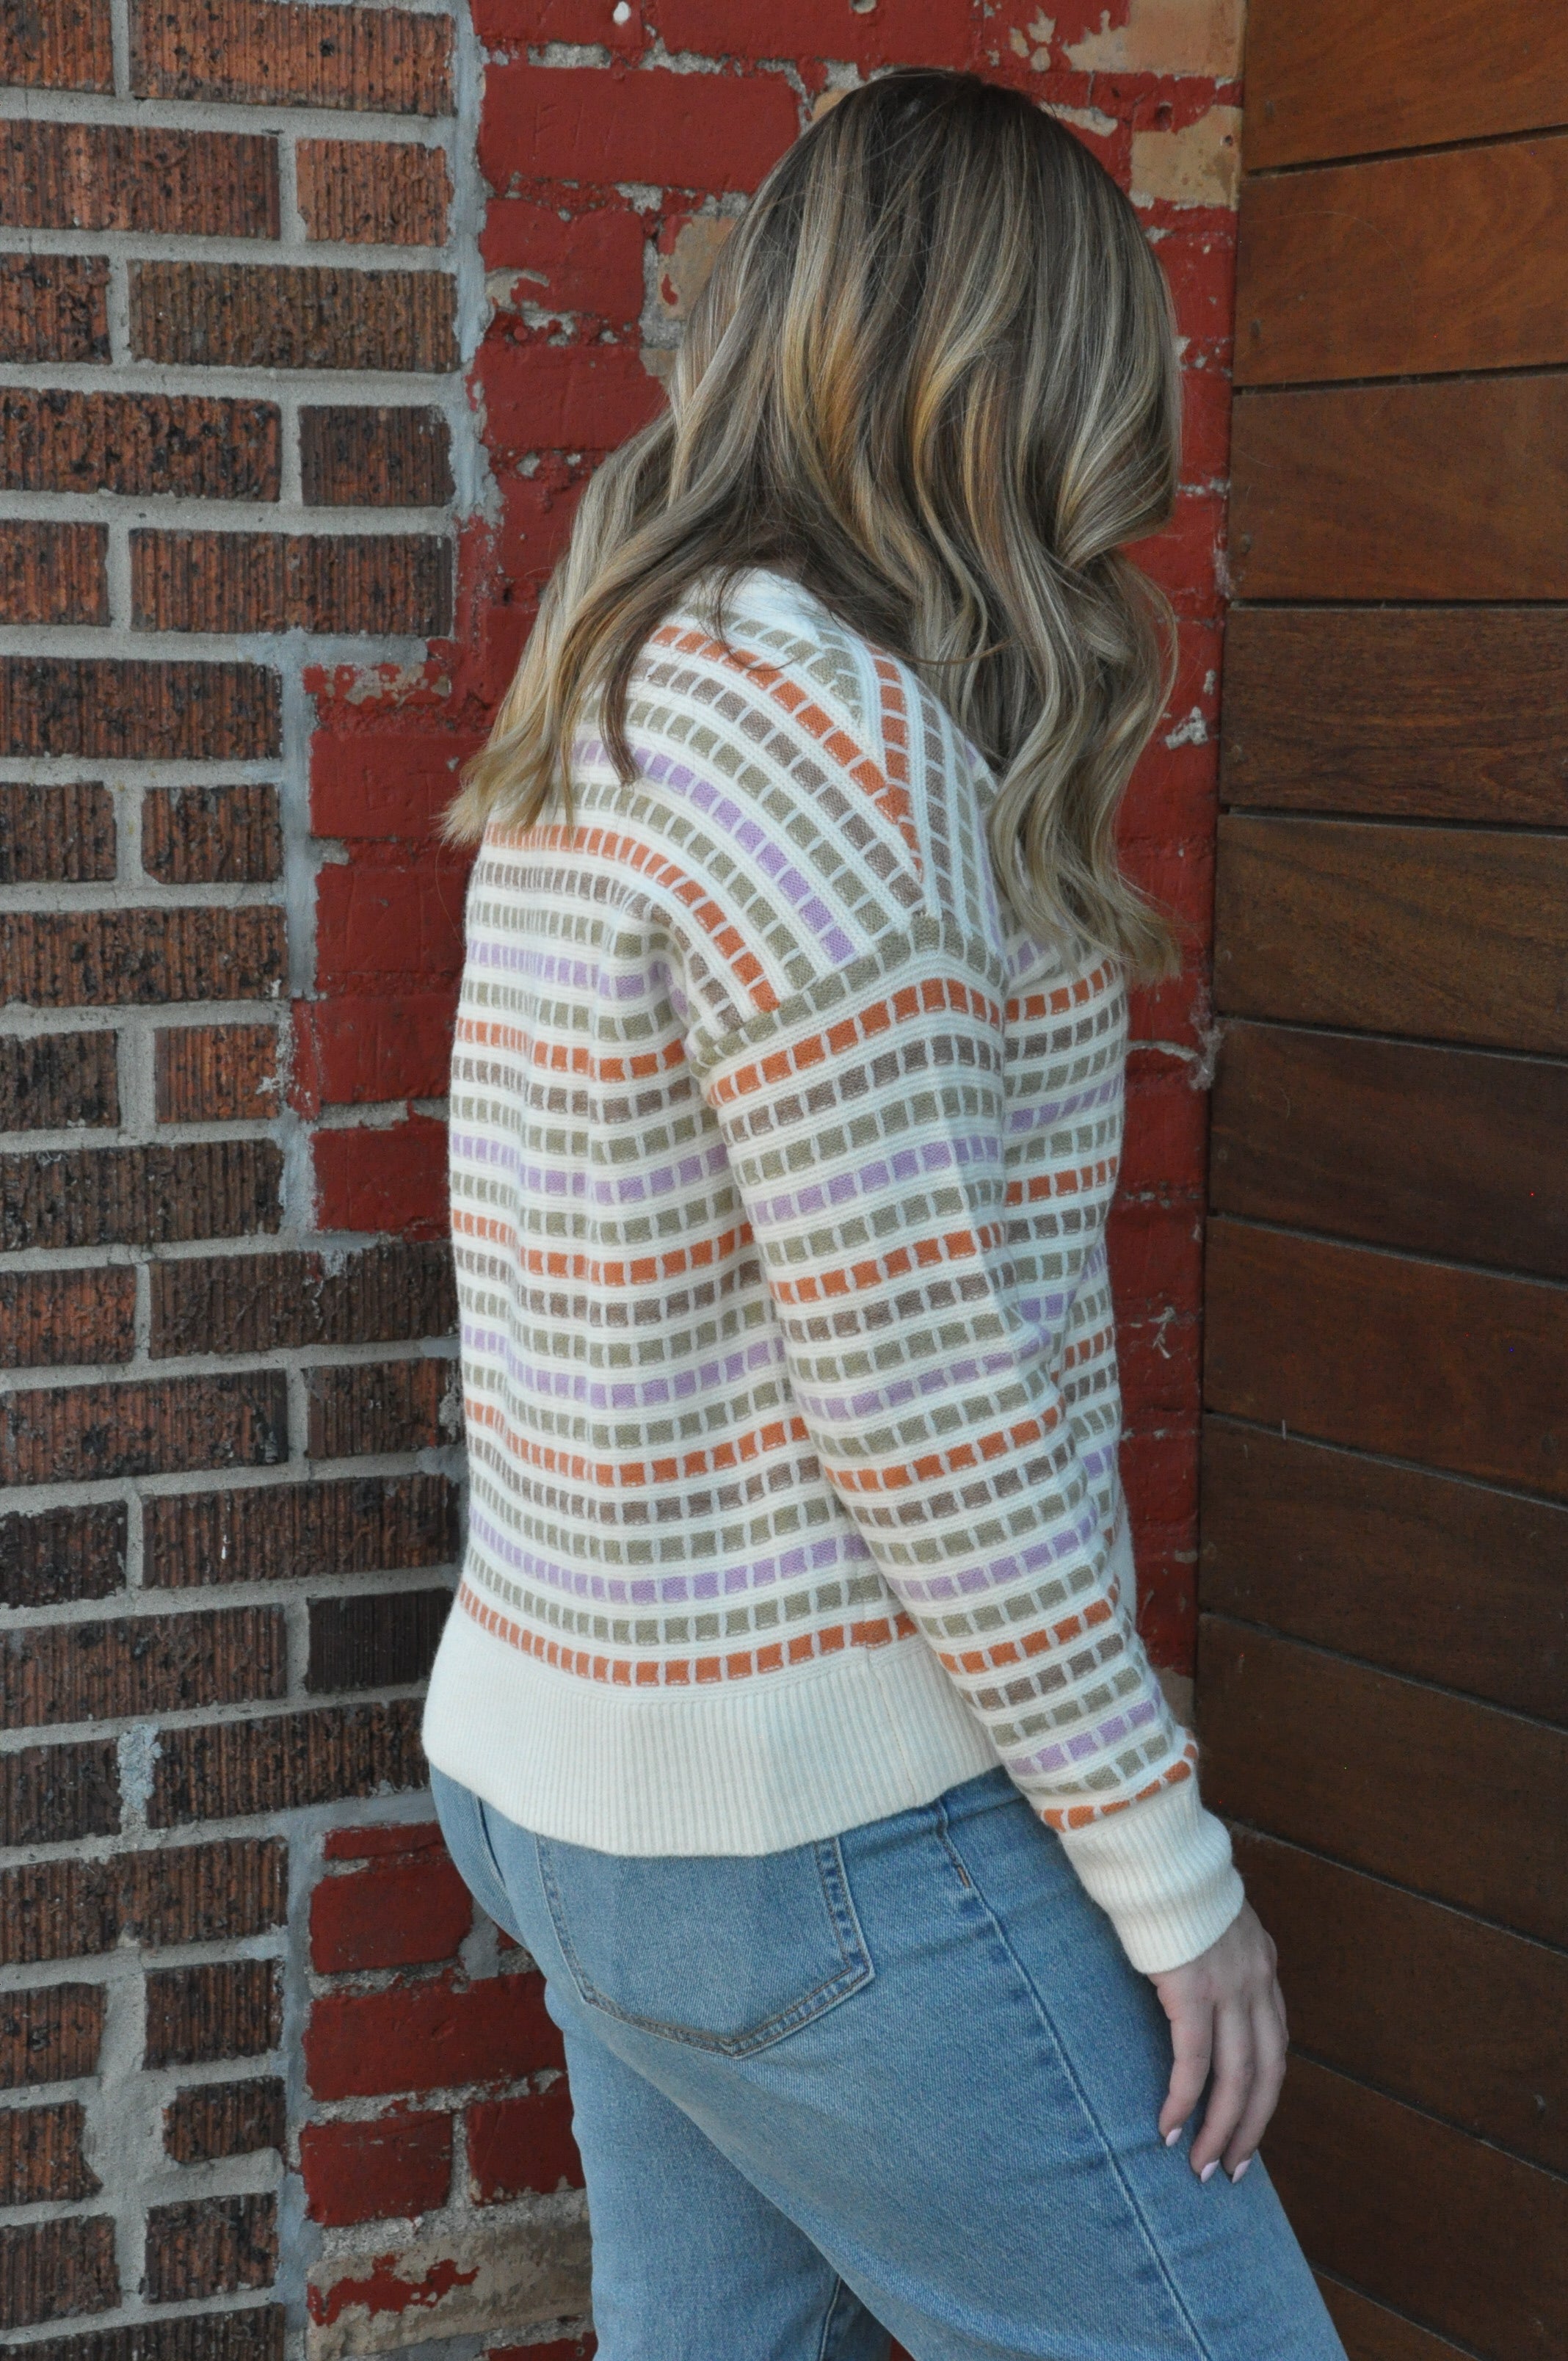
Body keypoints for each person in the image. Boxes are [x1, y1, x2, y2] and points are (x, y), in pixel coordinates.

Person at [424, 68, 1345, 2361]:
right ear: (1017, 381)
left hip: (569, 1780)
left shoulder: (634, 665)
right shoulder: (836, 739)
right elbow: (927, 1402)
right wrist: (1174, 1880)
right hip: (799, 1831)